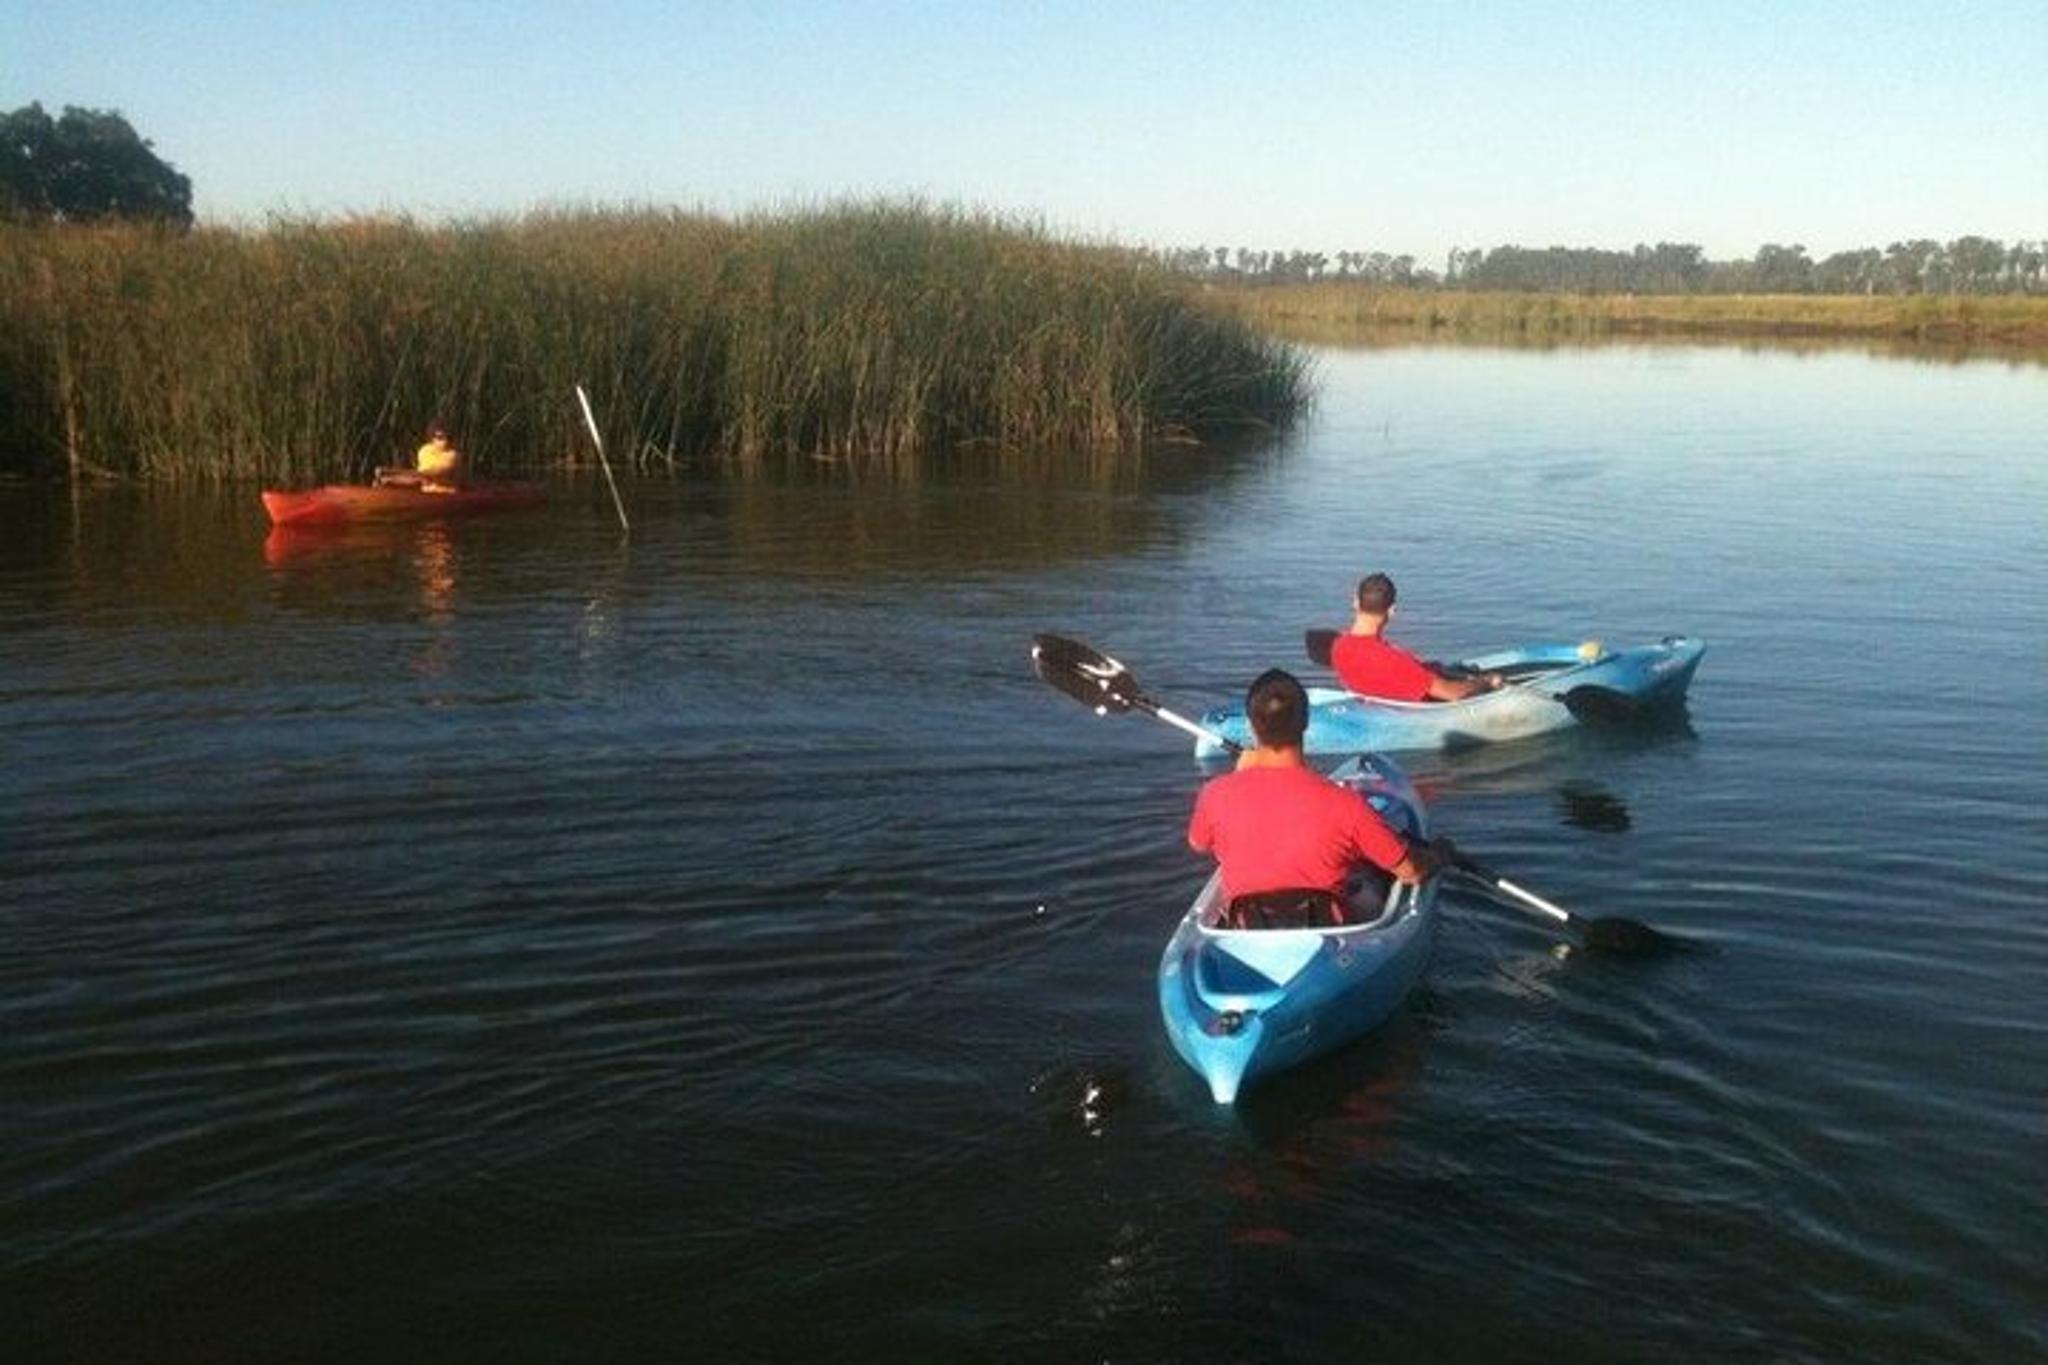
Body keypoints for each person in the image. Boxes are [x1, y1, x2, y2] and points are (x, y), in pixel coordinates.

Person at [1189, 669, 1447, 928]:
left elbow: (1199, 843)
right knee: (1371, 876)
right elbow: (1411, 872)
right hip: (1326, 927)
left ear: (1251, 726)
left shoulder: (1214, 794)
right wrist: (1438, 855)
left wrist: (1238, 776)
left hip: (1247, 926)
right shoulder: (1346, 804)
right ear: (1305, 723)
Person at [1331, 572, 1503, 702]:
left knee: (1439, 669)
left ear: (1355, 602)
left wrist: (1431, 670)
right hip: (1415, 713)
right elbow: (1453, 694)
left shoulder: (1339, 647)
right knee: (1490, 681)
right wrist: (1487, 681)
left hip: (1376, 704)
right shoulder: (1392, 659)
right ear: (1392, 610)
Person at [377, 423, 463, 492]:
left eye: (449, 437)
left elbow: (431, 474)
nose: (445, 441)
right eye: (440, 438)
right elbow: (419, 478)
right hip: (427, 494)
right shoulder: (425, 451)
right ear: (432, 438)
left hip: (446, 496)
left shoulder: (454, 456)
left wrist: (390, 472)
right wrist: (392, 480)